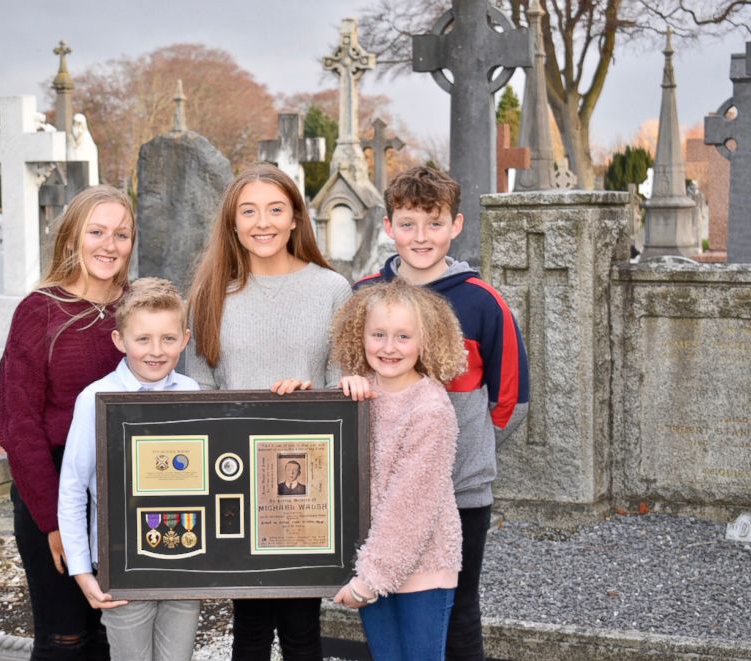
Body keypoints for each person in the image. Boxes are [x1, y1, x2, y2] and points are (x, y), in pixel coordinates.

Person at [356, 166, 529, 661]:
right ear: (389, 227)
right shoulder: (364, 296)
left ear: (455, 226)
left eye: (434, 224)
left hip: (460, 490)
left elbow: (512, 399)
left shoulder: (484, 302)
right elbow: (347, 375)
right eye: (407, 224)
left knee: (457, 610)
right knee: (384, 600)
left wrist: (469, 450)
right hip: (381, 489)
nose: (421, 237)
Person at [185, 163, 351, 661]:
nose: (263, 222)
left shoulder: (332, 290)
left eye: (276, 209)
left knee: (302, 627)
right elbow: (199, 389)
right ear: (232, 223)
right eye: (249, 211)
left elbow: (346, 384)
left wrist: (313, 395)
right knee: (250, 625)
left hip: (305, 483)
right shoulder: (211, 294)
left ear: (297, 218)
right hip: (235, 480)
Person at [0, 184, 136, 660]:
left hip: (126, 488)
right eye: (96, 231)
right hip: (53, 487)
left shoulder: (137, 308)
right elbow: (19, 427)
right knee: (66, 637)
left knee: (114, 632)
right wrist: (56, 523)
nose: (109, 245)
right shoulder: (40, 312)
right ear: (72, 237)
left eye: (121, 234)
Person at [59, 277, 201, 661]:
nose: (156, 351)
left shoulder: (193, 395)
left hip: (185, 558)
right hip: (121, 562)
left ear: (185, 339)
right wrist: (81, 570)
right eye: (143, 340)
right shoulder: (95, 400)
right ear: (120, 341)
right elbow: (72, 487)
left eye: (168, 339)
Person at [331, 280, 467, 660]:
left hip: (423, 567)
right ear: (360, 336)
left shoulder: (431, 409)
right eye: (378, 334)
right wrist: (337, 393)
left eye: (403, 337)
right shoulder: (358, 395)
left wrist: (370, 580)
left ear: (426, 341)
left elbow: (411, 504)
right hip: (373, 559)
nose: (389, 347)